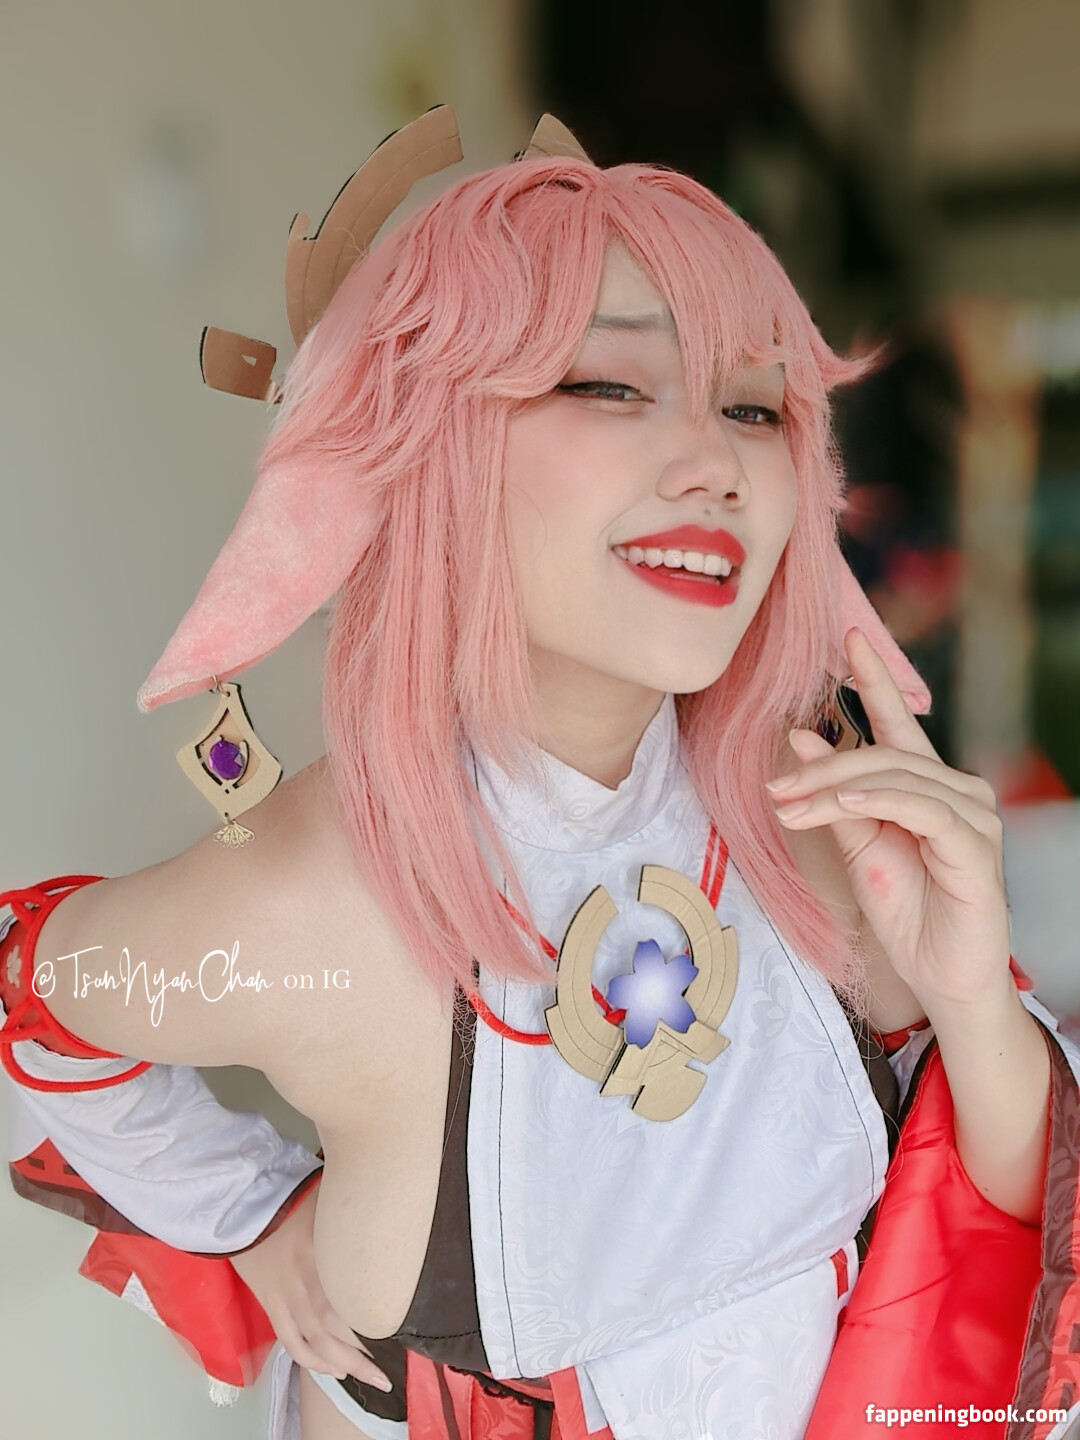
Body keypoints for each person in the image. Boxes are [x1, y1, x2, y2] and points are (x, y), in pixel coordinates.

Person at [1, 110, 1074, 1440]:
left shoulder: (810, 815)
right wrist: (250, 1215)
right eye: (612, 386)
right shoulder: (312, 902)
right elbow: (38, 997)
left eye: (754, 407)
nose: (718, 467)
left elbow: (980, 1239)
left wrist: (973, 1001)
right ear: (431, 440)